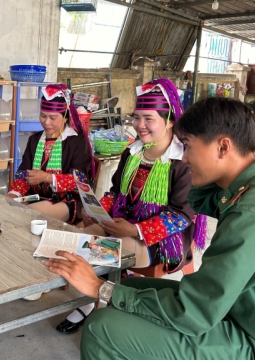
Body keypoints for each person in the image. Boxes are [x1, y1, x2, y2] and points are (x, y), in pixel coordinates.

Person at [47, 97, 255, 360]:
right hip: (243, 309)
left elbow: (194, 312)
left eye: (188, 146)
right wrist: (246, 149)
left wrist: (103, 287)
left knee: (102, 326)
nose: (185, 157)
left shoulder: (249, 214)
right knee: (137, 288)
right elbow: (192, 198)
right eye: (136, 118)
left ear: (223, 146)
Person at [55, 79, 205, 335]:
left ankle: (101, 306)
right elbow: (116, 193)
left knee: (94, 249)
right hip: (123, 225)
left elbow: (182, 216)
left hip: (159, 241)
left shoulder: (182, 161)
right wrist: (96, 211)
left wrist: (135, 231)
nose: (139, 125)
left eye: (149, 118)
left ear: (169, 120)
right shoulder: (133, 153)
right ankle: (98, 299)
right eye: (136, 117)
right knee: (79, 239)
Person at [6, 83, 92, 224]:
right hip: (36, 197)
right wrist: (13, 194)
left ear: (65, 117)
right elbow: (23, 174)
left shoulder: (77, 142)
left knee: (29, 216)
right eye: (42, 116)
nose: (46, 122)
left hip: (67, 200)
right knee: (8, 208)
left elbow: (80, 182)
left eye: (53, 118)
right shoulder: (34, 140)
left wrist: (47, 177)